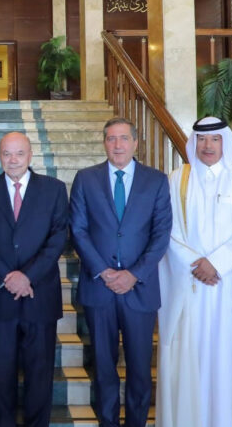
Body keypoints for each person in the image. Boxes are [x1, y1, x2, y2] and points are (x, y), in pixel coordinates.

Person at [156, 117, 232, 427]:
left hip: (228, 286)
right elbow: (167, 231)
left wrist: (217, 263)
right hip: (190, 285)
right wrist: (196, 264)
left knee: (227, 358)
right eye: (202, 139)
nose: (208, 146)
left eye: (215, 139)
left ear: (225, 143)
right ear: (194, 143)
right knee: (190, 355)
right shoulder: (178, 179)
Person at [69, 117, 171, 427]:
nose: (117, 145)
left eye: (124, 138)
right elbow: (78, 230)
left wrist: (133, 274)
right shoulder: (85, 179)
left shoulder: (156, 181)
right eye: (111, 138)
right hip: (99, 288)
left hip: (140, 289)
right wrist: (103, 271)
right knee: (103, 367)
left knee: (140, 369)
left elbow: (161, 234)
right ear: (104, 143)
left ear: (135, 143)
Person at [0, 132, 68, 427]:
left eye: (19, 153)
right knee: (1, 375)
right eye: (6, 153)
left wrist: (27, 276)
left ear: (30, 155)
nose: (13, 160)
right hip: (0, 295)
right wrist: (6, 276)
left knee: (40, 374)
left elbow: (58, 237)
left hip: (40, 295)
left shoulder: (54, 189)